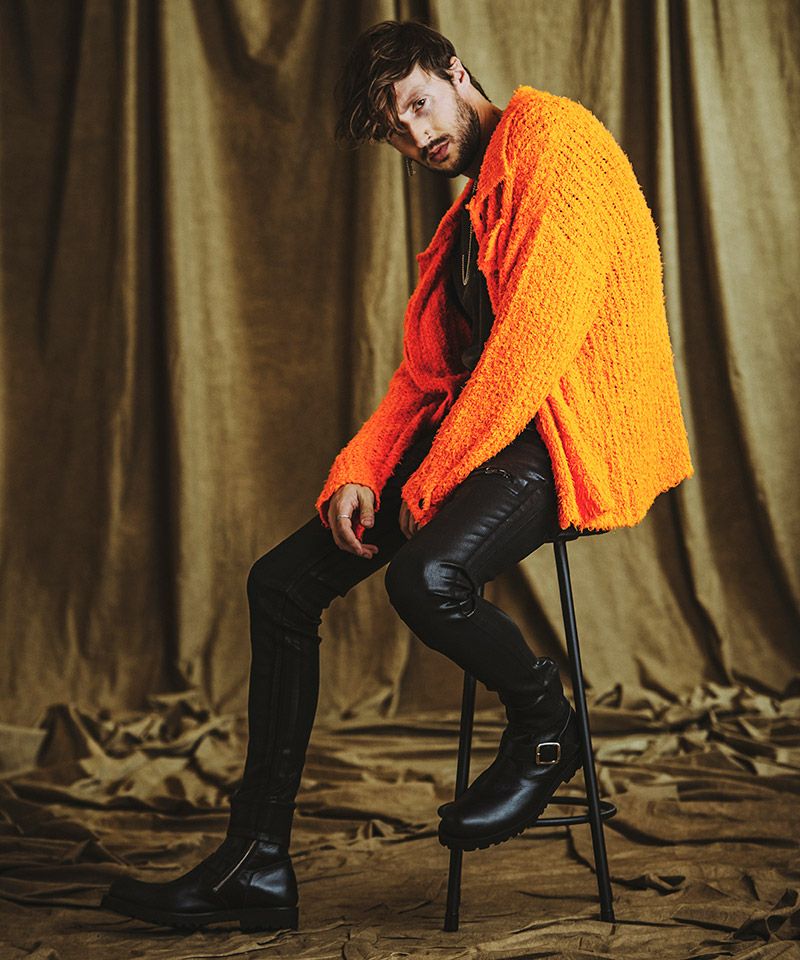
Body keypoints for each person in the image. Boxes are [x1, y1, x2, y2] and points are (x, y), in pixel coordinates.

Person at [100, 19, 694, 934]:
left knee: (428, 576)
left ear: (456, 72)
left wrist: (431, 480)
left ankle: (547, 725)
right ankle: (255, 862)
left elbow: (531, 350)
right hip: (497, 429)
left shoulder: (556, 145)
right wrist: (365, 469)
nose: (418, 137)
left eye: (419, 105)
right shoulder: (468, 216)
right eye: (395, 130)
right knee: (280, 585)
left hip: (572, 429)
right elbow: (426, 378)